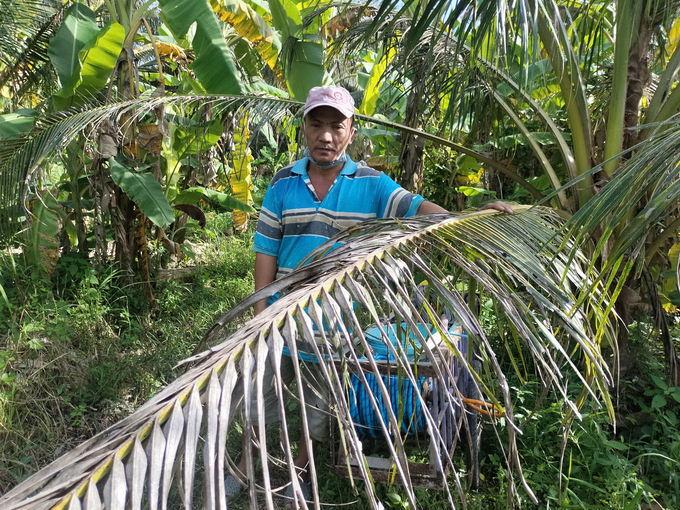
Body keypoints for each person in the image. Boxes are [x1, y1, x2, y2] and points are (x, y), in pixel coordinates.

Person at [226, 85, 513, 506]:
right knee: (260, 404)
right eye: (316, 124)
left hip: (334, 328)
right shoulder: (283, 183)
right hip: (280, 320)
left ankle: (299, 478)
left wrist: (470, 215)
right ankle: (243, 470)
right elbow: (267, 249)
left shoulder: (372, 185)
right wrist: (258, 315)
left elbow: (417, 209)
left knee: (314, 414)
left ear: (351, 131)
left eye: (335, 126)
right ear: (304, 127)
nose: (325, 136)